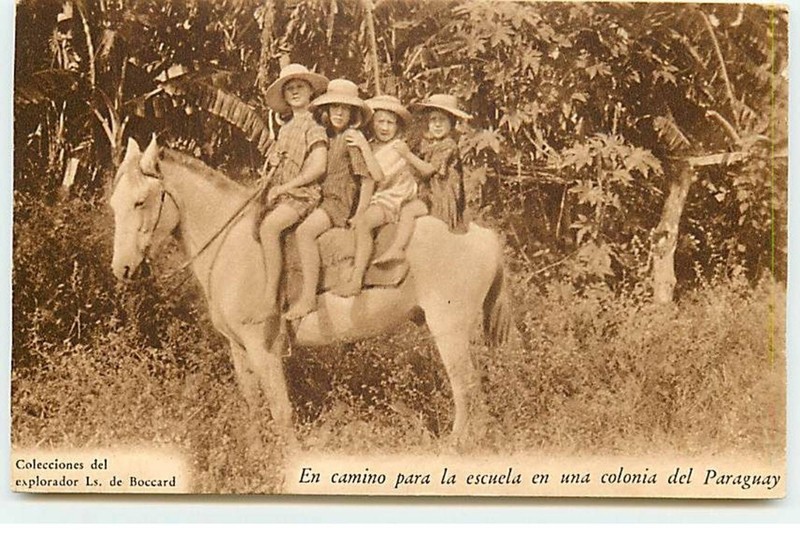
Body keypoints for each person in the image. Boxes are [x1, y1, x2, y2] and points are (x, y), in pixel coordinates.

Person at [284, 79, 375, 320]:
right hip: (321, 198)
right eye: (334, 107)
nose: (339, 112)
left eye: (345, 109)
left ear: (353, 113)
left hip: (337, 202)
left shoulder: (350, 139)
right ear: (327, 109)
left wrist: (360, 212)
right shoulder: (328, 136)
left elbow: (367, 180)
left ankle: (308, 299)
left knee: (305, 233)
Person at [337, 95, 432, 296]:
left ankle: (357, 279)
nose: (385, 127)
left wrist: (363, 147)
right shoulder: (373, 146)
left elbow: (377, 174)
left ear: (397, 127)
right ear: (373, 123)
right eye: (380, 121)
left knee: (363, 223)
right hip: (379, 197)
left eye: (390, 123)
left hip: (393, 198)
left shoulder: (397, 148)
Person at [255, 64, 329, 317]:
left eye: (300, 87)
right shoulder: (285, 130)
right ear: (285, 97)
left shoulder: (315, 127)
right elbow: (277, 166)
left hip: (303, 194)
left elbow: (319, 167)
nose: (295, 92)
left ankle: (269, 298)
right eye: (290, 89)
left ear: (310, 92)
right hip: (283, 193)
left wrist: (286, 187)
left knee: (269, 227)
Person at [373, 94, 471, 266]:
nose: (437, 124)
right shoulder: (429, 144)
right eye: (433, 120)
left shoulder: (448, 145)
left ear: (452, 123)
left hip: (439, 197)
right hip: (428, 193)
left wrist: (406, 154)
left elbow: (426, 171)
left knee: (408, 210)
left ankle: (398, 248)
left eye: (442, 120)